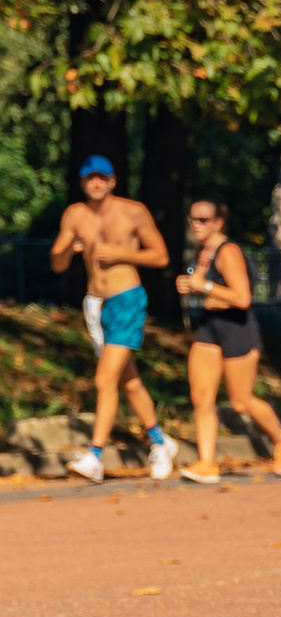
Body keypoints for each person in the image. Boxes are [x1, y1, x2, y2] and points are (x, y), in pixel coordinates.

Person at [48, 153, 174, 482]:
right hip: (95, 305)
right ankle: (160, 442)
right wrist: (67, 250)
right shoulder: (75, 215)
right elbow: (57, 264)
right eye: (90, 178)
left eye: (102, 177)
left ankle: (95, 455)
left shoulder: (133, 211)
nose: (96, 183)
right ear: (82, 183)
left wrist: (122, 254)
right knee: (128, 382)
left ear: (112, 181)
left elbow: (161, 256)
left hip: (128, 299)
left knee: (105, 380)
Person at [174, 194, 281, 483]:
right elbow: (208, 289)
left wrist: (202, 285)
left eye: (203, 220)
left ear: (218, 223)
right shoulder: (202, 252)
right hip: (210, 326)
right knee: (201, 398)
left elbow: (242, 298)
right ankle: (207, 463)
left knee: (241, 401)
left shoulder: (228, 251)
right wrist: (191, 286)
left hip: (237, 327)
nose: (196, 225)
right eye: (192, 219)